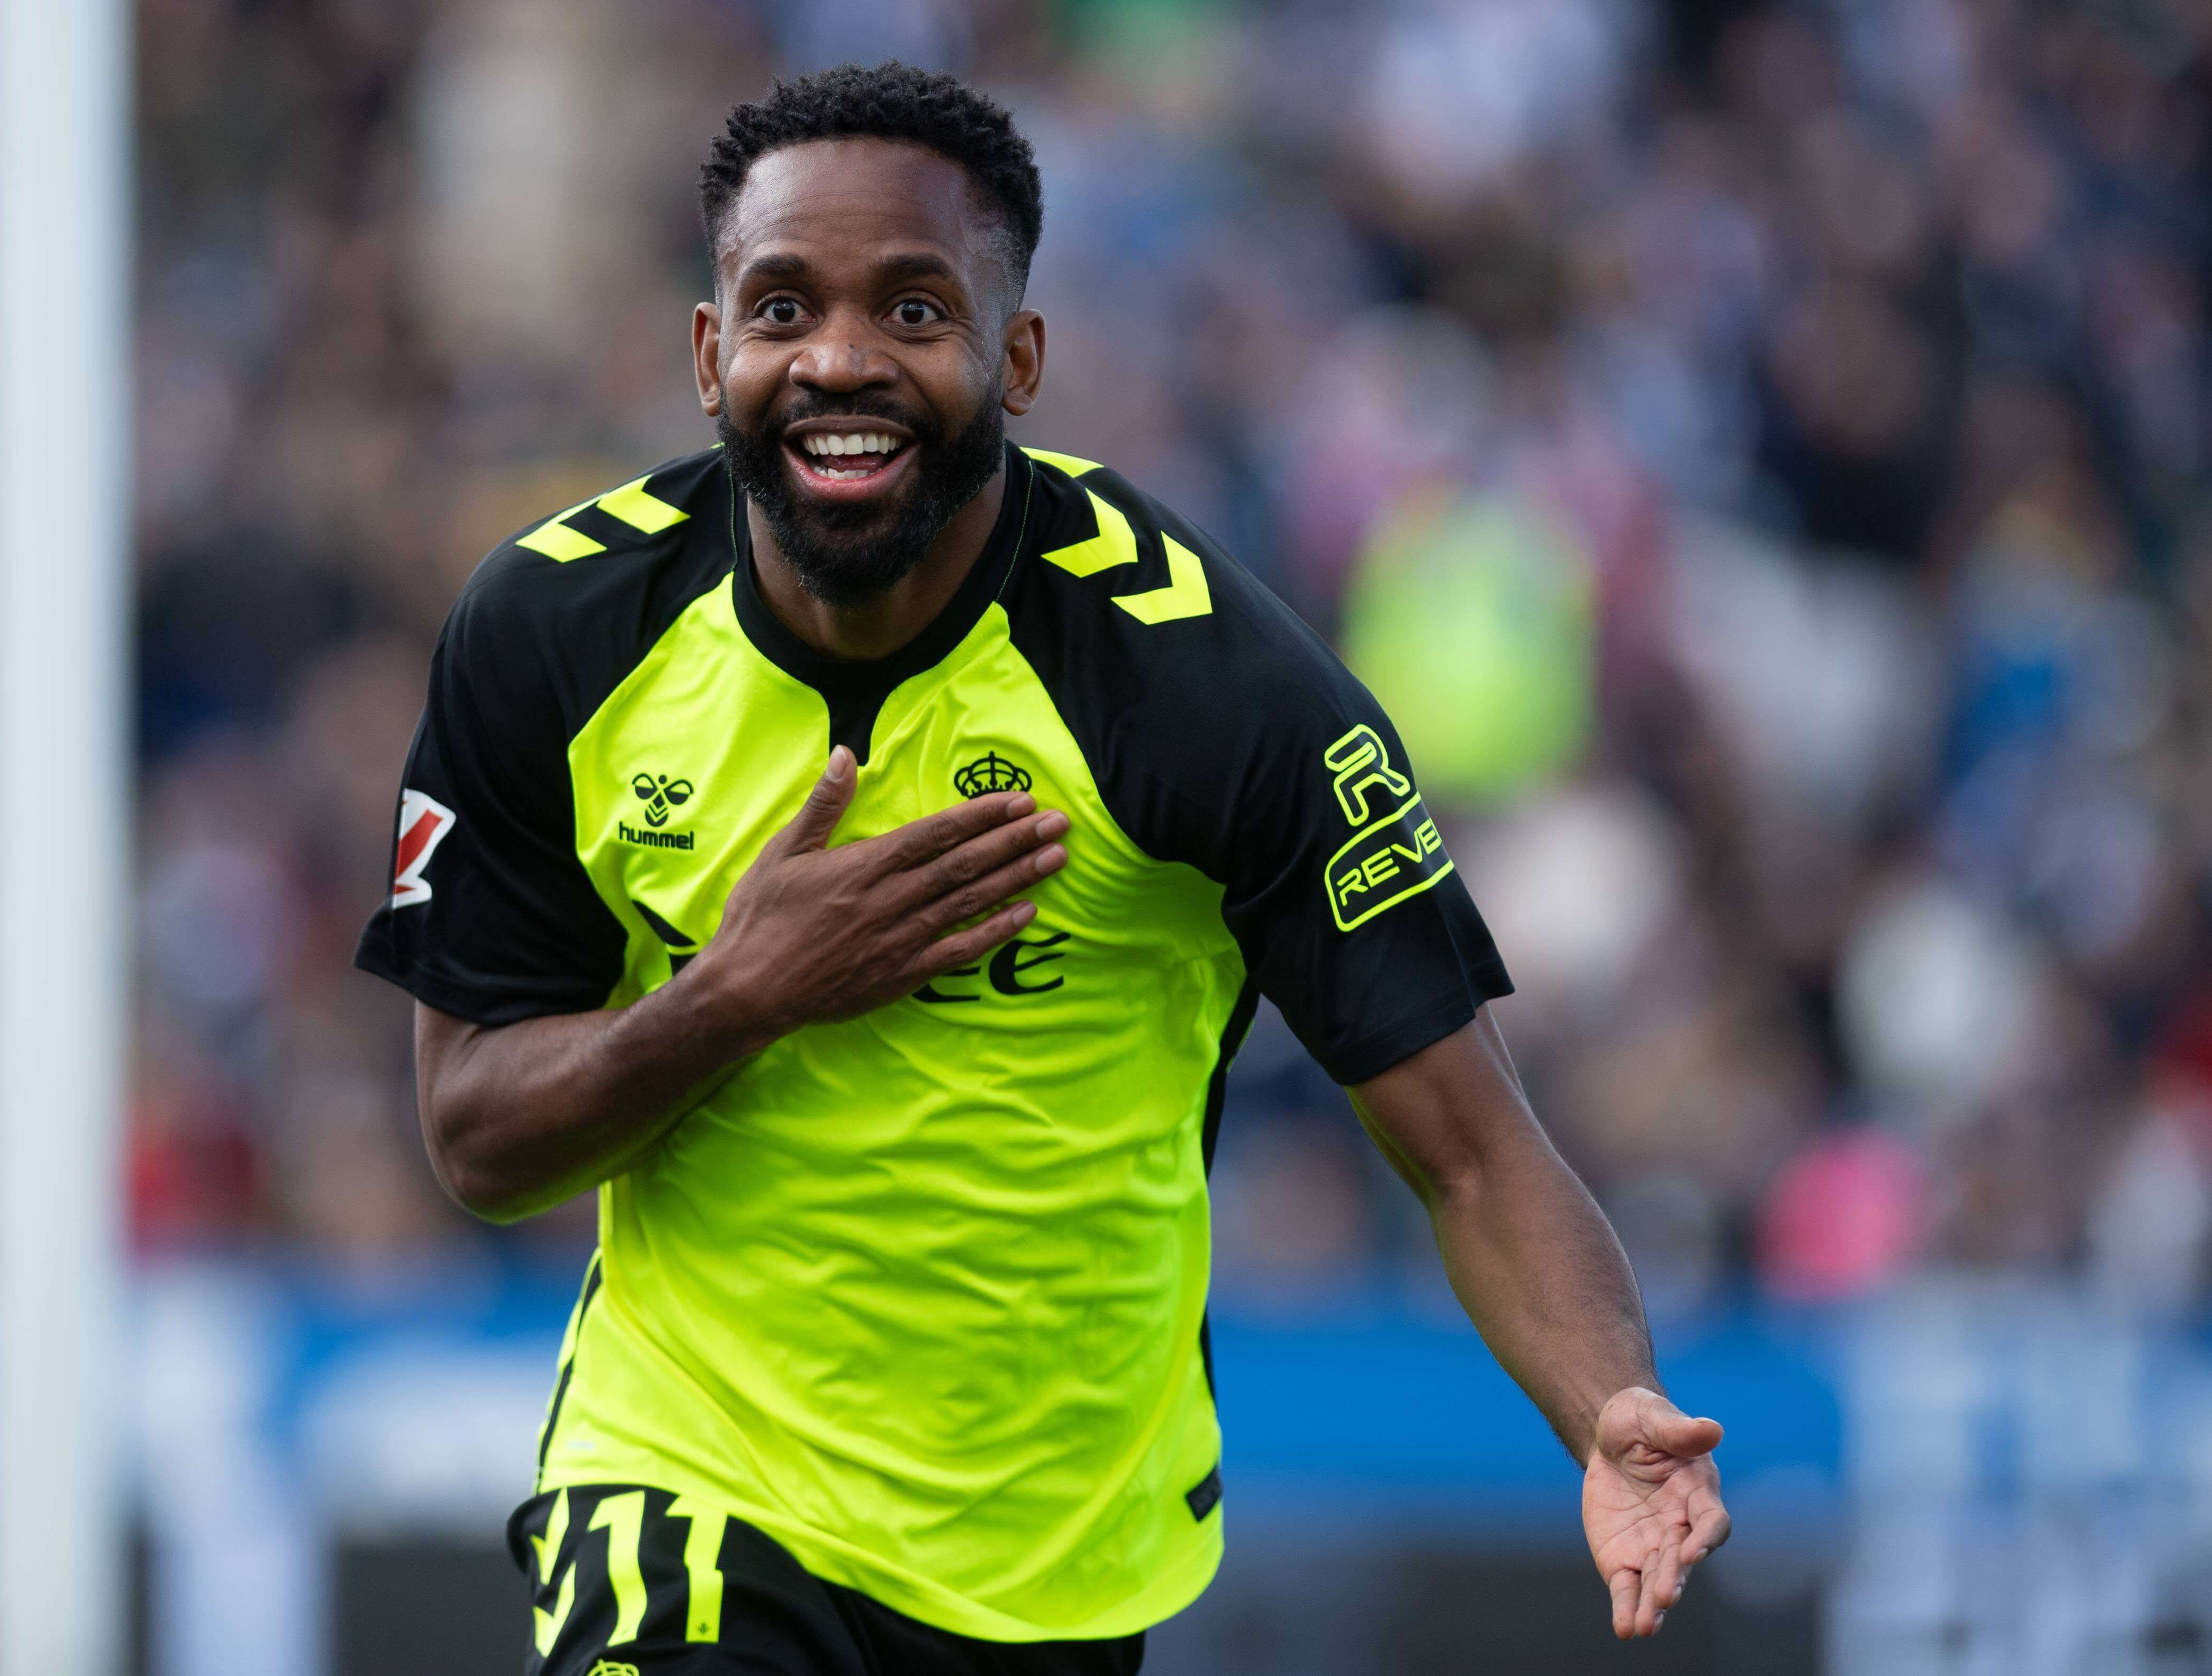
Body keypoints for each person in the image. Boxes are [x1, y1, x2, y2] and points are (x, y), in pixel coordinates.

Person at [356, 61, 1727, 1676]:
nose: (840, 361)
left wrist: (1607, 1403)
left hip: (1058, 1560)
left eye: (913, 311)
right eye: (784, 308)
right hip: (687, 1482)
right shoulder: (551, 632)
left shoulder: (1207, 686)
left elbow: (1475, 1152)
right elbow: (477, 1135)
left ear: (1016, 358)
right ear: (711, 351)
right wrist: (737, 996)